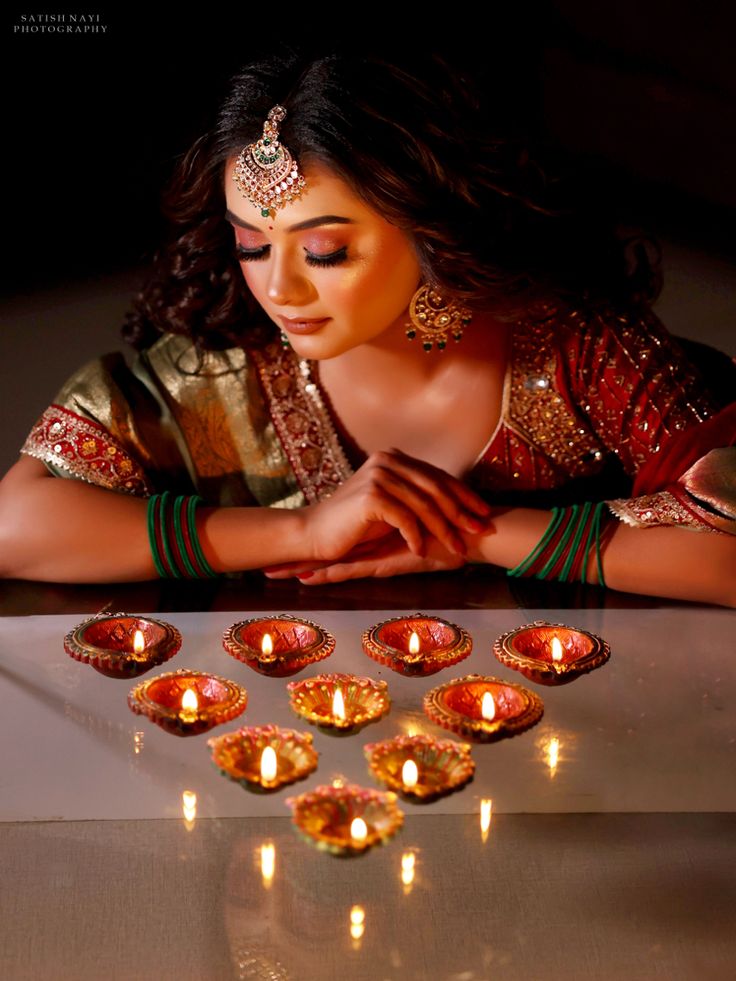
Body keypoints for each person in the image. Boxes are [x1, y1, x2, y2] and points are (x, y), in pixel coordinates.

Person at [0, 45, 734, 604]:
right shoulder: (227, 369)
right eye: (251, 244)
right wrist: (302, 530)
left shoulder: (578, 349)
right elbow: (15, 523)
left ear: (428, 229)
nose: (278, 288)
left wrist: (472, 534)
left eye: (326, 250)